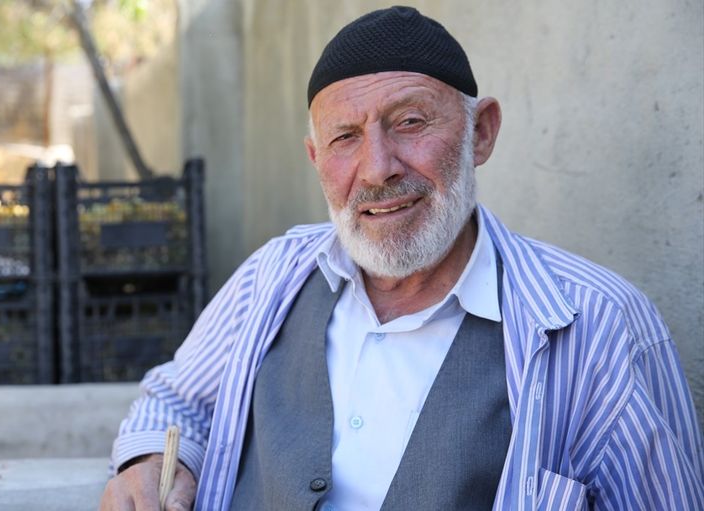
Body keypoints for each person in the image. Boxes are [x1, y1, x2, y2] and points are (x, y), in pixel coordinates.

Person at [100, 6, 704, 511]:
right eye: (345, 137)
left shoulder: (600, 326)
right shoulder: (273, 275)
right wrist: (151, 460)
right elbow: (177, 400)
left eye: (410, 122)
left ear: (481, 133)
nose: (377, 168)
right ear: (316, 159)